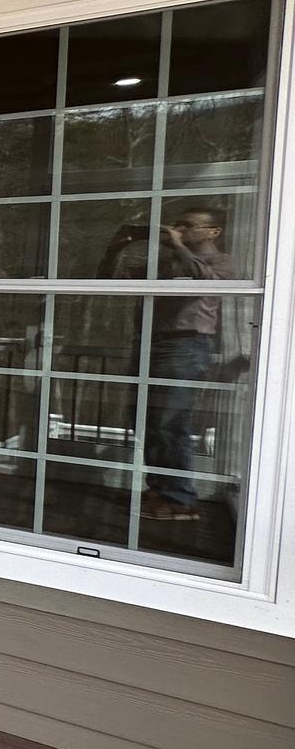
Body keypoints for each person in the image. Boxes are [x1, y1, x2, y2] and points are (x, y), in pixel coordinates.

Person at [138, 205, 231, 520]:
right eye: (177, 225)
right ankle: (161, 486)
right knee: (152, 422)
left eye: (188, 225)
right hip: (159, 344)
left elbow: (204, 279)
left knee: (172, 422)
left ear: (213, 231)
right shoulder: (170, 262)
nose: (180, 230)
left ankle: (182, 499)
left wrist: (177, 246)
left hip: (189, 345)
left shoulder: (221, 262)